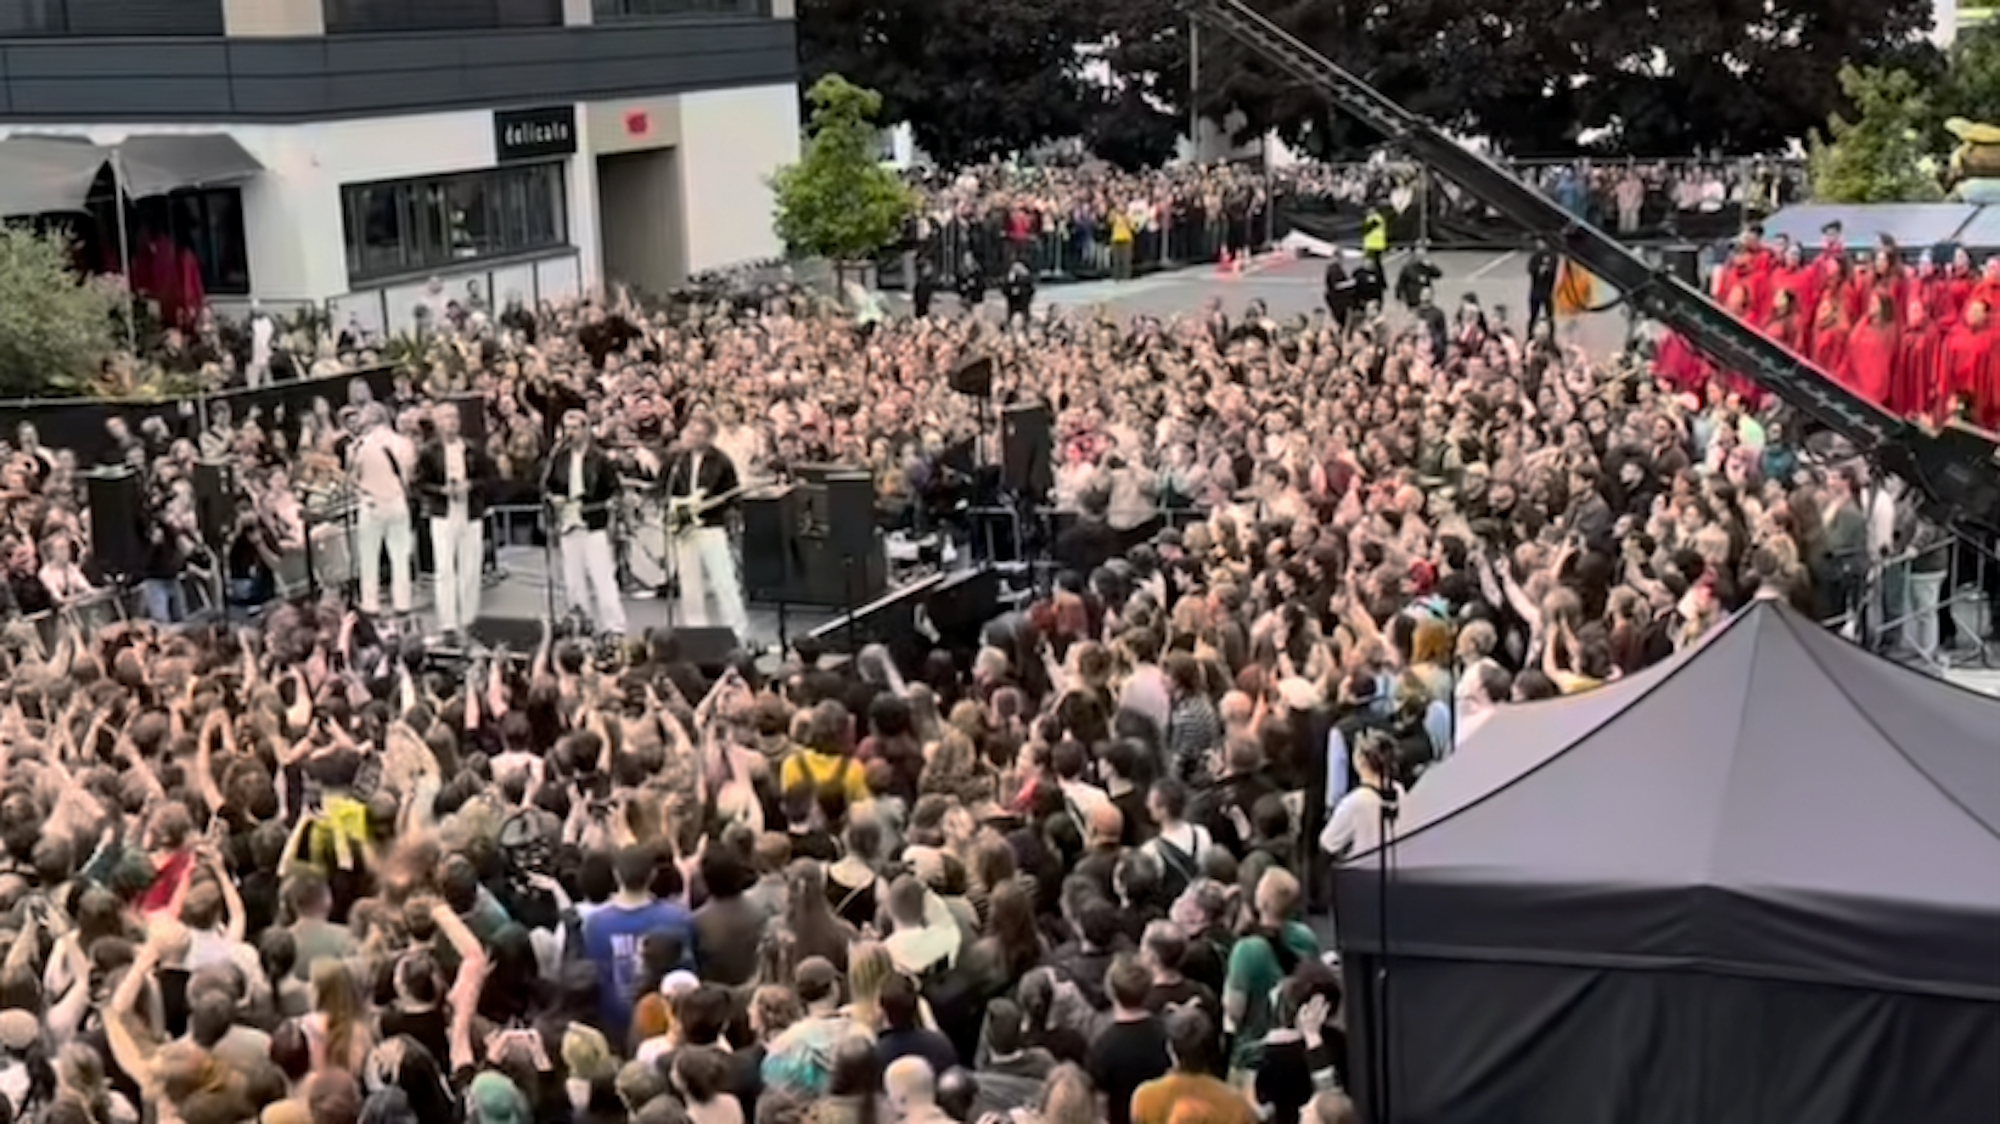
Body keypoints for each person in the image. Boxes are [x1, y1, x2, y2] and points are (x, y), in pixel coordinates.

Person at [414, 399, 496, 645]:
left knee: (470, 568)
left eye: (455, 417)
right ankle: (448, 623)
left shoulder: (471, 449)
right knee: (445, 570)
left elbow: (489, 477)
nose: (452, 422)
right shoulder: (429, 452)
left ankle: (469, 619)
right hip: (443, 515)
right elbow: (419, 484)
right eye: (447, 417)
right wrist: (441, 491)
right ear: (438, 422)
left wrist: (471, 486)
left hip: (470, 513)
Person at [542, 408, 628, 639]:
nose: (570, 433)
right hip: (568, 523)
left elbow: (615, 490)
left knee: (602, 576)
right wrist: (554, 499)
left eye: (575, 428)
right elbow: (548, 487)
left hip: (593, 522)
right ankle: (582, 621)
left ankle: (614, 625)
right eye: (567, 428)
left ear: (586, 429)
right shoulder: (559, 458)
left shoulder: (600, 459)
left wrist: (610, 505)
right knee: (573, 577)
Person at [664, 414, 750, 637]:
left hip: (711, 526)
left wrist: (725, 512)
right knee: (690, 585)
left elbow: (734, 495)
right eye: (692, 432)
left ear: (710, 437)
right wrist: (673, 507)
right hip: (684, 529)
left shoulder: (721, 461)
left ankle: (737, 632)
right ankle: (696, 632)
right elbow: (661, 489)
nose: (693, 437)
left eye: (700, 434)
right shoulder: (676, 459)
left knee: (723, 581)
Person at [347, 401, 417, 623]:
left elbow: (352, 478)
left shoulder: (359, 446)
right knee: (400, 556)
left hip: (371, 504)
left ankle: (371, 605)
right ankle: (403, 604)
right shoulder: (404, 443)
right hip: (397, 501)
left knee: (369, 559)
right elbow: (409, 475)